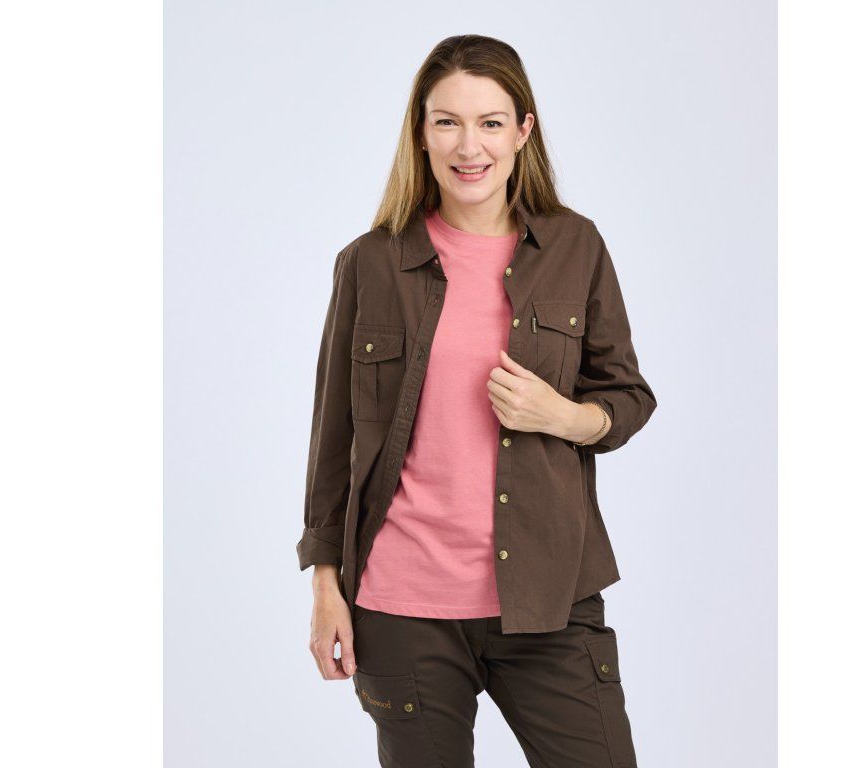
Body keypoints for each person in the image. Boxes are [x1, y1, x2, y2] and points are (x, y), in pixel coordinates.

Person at [296, 33, 657, 768]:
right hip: (402, 607)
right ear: (421, 134)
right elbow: (333, 440)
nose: (470, 146)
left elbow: (627, 395)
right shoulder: (369, 263)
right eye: (447, 122)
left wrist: (563, 416)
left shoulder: (576, 247)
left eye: (491, 122)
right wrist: (326, 588)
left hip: (550, 598)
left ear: (523, 131)